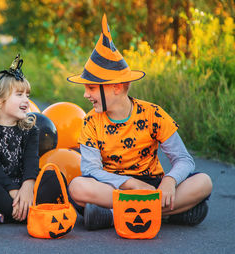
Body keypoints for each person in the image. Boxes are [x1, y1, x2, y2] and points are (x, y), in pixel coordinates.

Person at [67, 14, 213, 230]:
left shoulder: (153, 114)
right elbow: (90, 169)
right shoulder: (90, 122)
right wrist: (131, 184)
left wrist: (170, 181)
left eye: (90, 88)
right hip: (114, 186)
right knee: (78, 187)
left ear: (116, 87)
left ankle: (113, 214)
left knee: (204, 182)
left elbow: (183, 159)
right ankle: (166, 213)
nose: (86, 95)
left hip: (153, 184)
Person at [0, 55, 65, 223]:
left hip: (26, 189)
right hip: (1, 189)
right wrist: (14, 192)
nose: (26, 100)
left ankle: (4, 212)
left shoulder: (30, 130)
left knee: (54, 176)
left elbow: (31, 162)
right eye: (19, 95)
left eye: (27, 95)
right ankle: (27, 211)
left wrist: (27, 187)